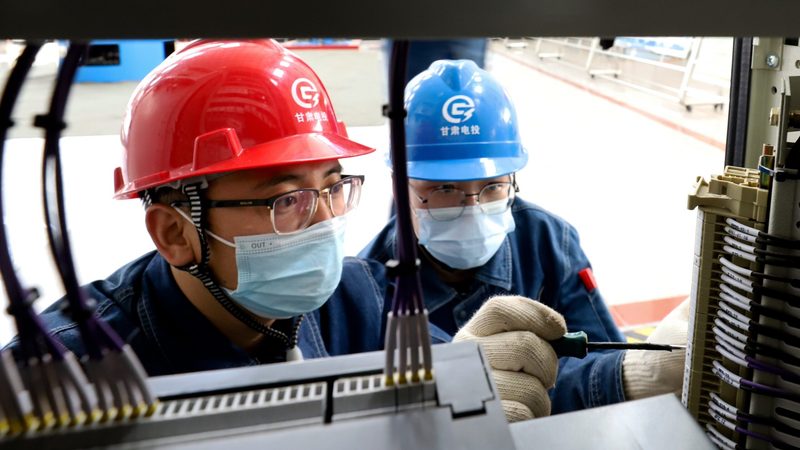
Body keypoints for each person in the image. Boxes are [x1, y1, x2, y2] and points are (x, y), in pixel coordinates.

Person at [5, 39, 411, 376]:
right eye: (286, 200)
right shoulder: (61, 371)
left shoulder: (364, 299)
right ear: (175, 232)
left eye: (334, 187)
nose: (326, 223)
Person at [359, 59, 687, 421]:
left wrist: (634, 373)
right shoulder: (366, 292)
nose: (474, 208)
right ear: (398, 184)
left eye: (493, 187)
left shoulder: (549, 243)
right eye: (444, 189)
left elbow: (601, 357)